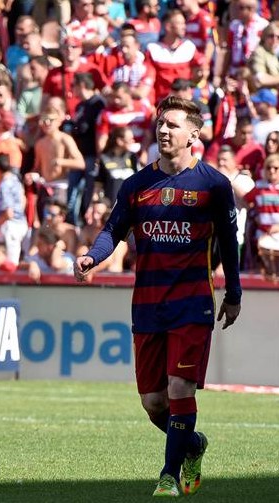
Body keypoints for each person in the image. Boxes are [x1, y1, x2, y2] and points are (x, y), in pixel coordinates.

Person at [74, 97, 242, 497]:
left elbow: (229, 242)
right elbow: (112, 231)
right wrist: (92, 256)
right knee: (153, 402)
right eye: (161, 124)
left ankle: (169, 475)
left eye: (173, 125)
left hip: (192, 302)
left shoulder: (213, 185)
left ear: (194, 135)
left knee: (180, 388)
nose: (163, 130)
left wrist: (234, 292)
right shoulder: (136, 185)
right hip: (148, 304)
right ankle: (192, 444)